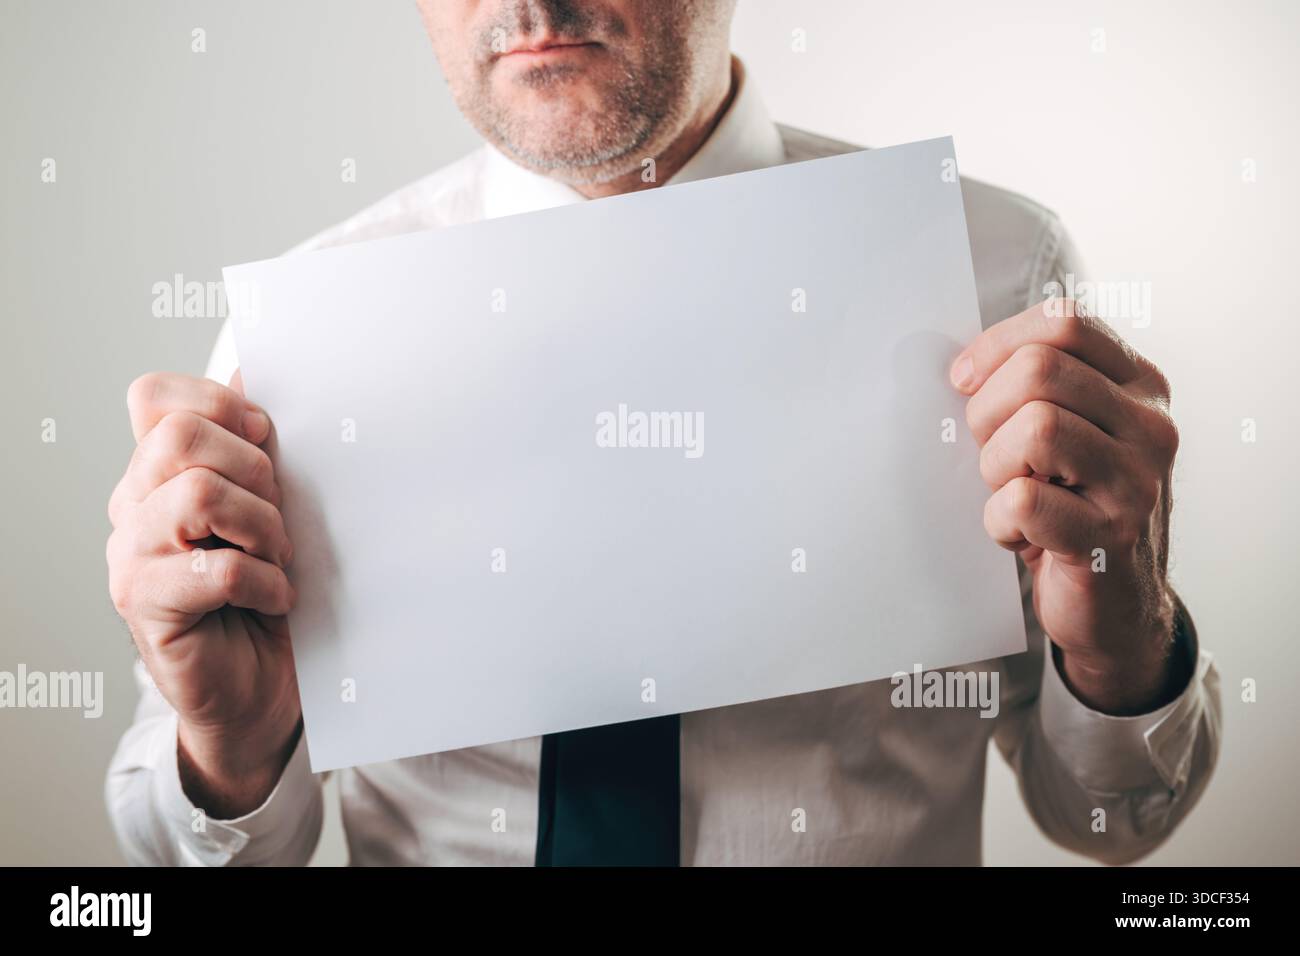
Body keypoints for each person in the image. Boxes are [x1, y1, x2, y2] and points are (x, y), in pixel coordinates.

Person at [105, 0, 1220, 866]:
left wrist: (1127, 643)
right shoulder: (299, 338)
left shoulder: (995, 273)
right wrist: (232, 750)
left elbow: (1107, 822)